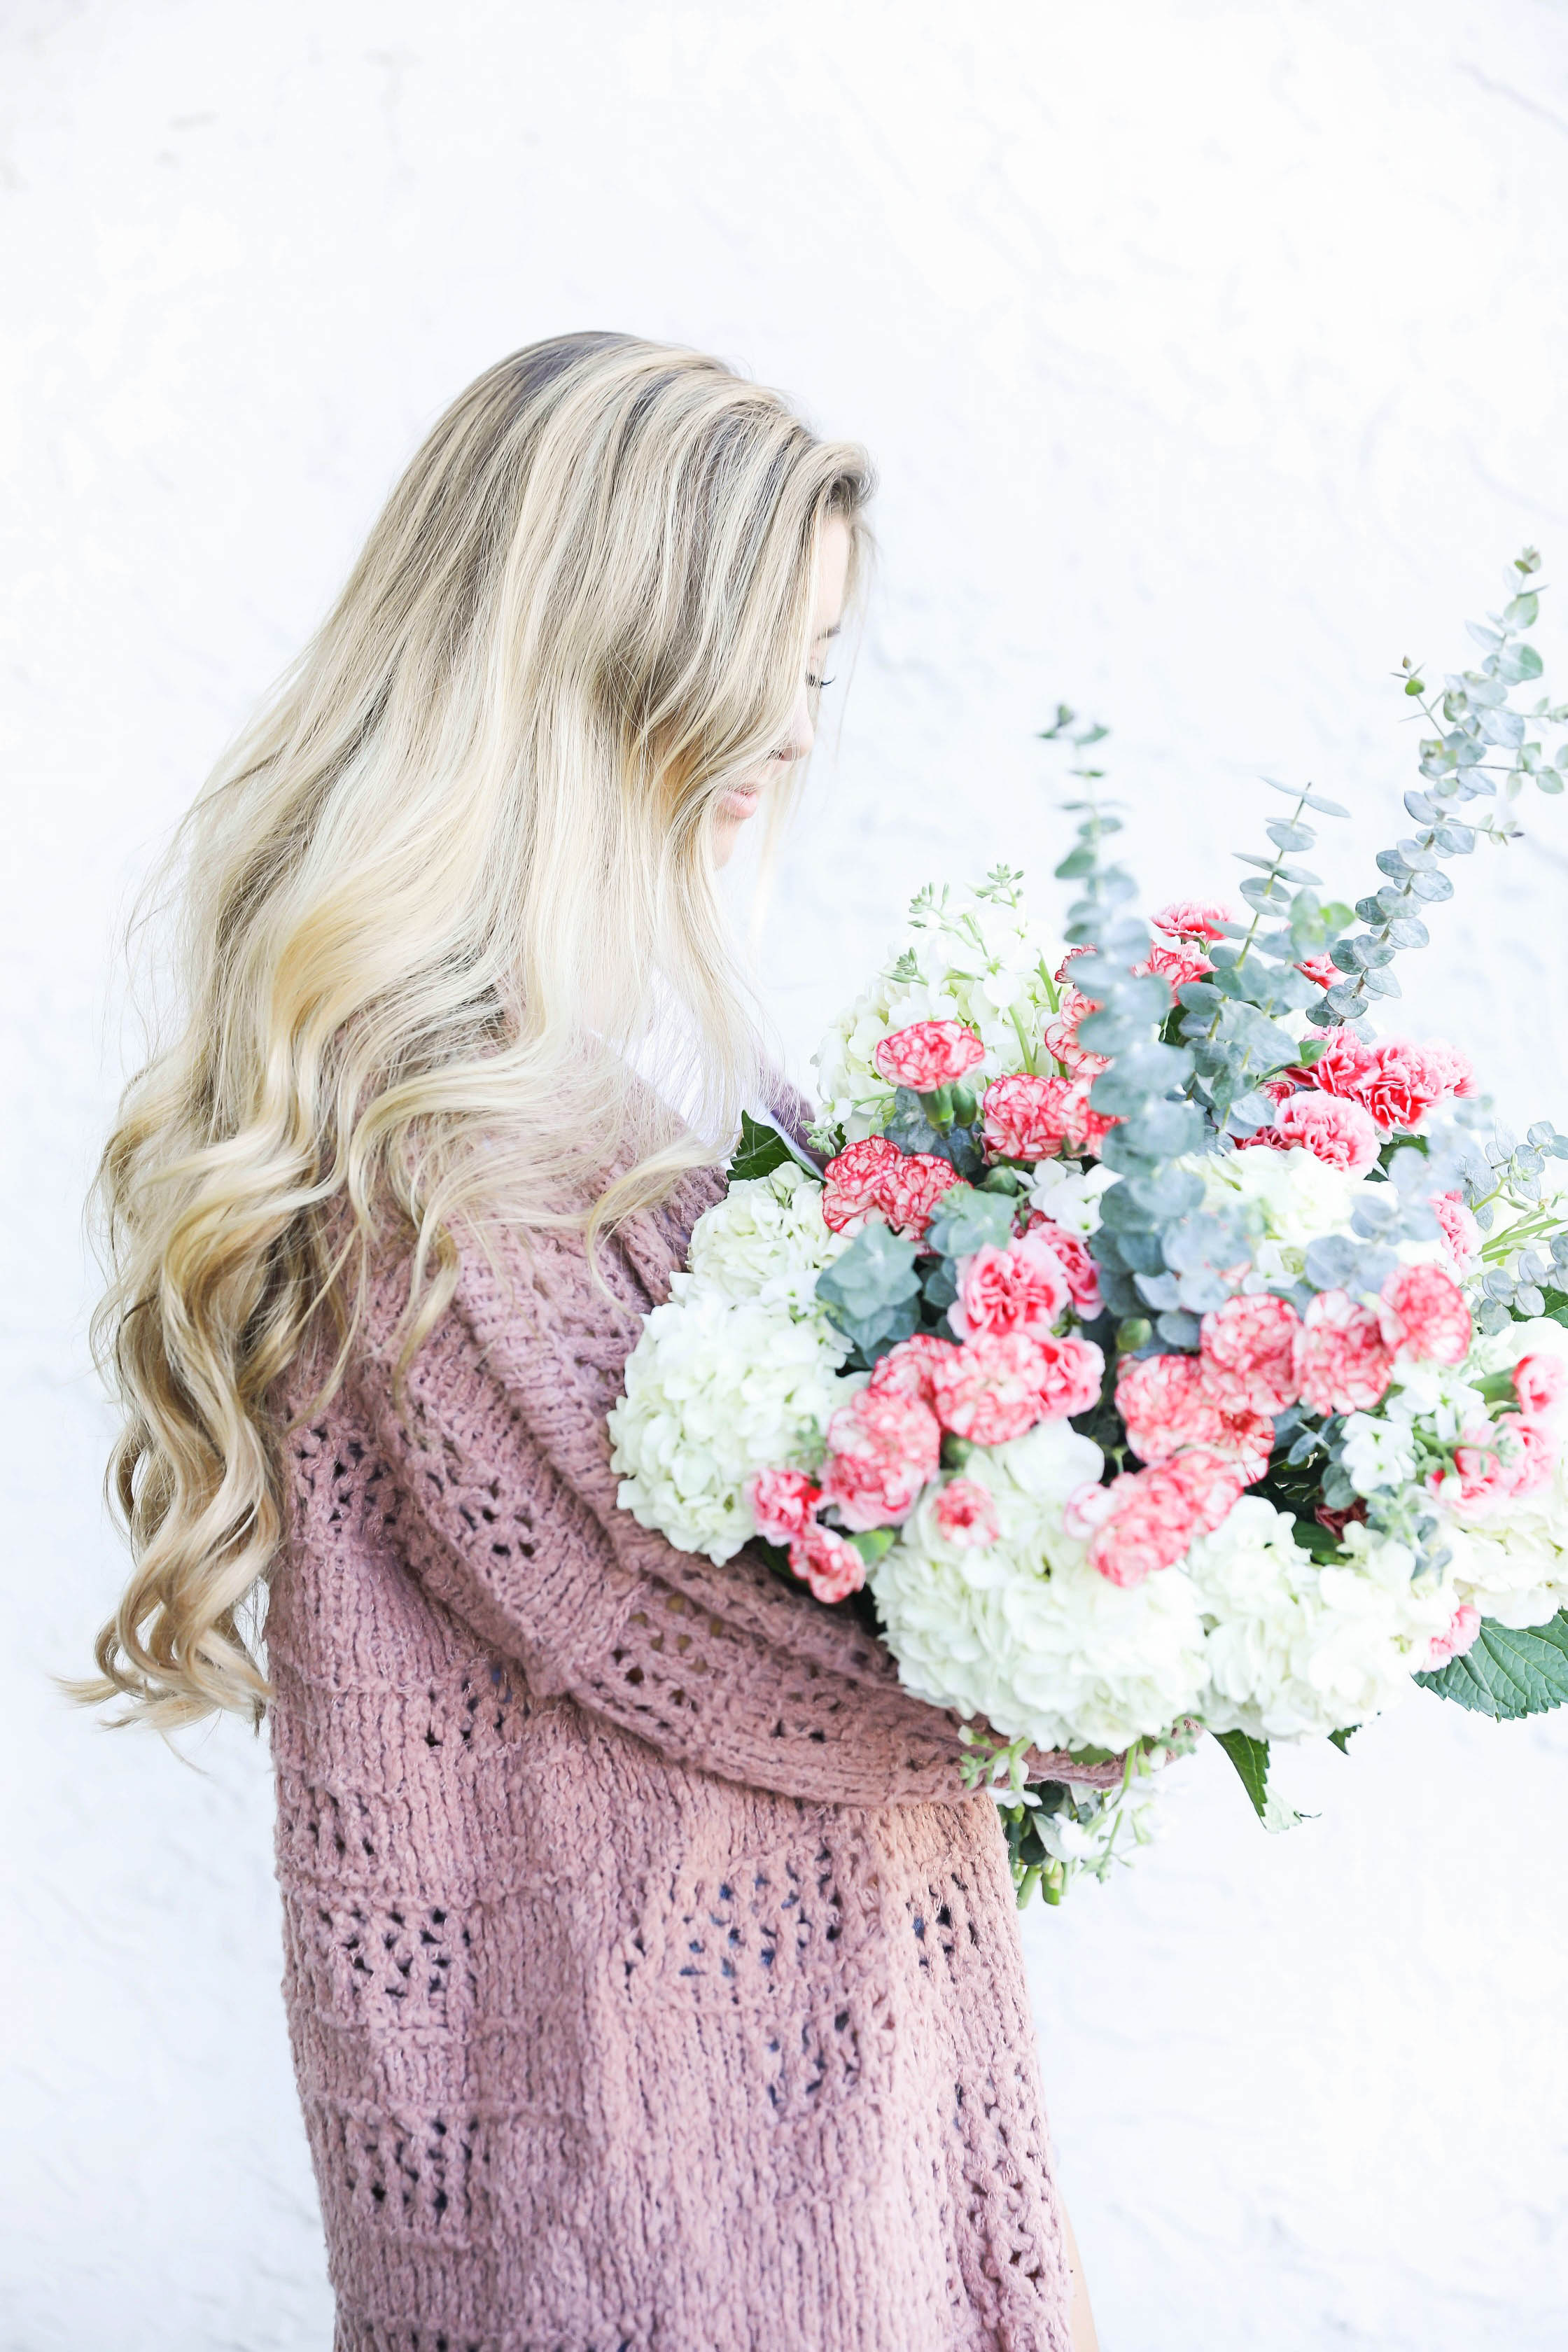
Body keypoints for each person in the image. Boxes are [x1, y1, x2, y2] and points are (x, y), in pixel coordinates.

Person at [81, 333, 1101, 2352]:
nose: (800, 735)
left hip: (768, 2162)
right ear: (605, 655)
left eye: (821, 673)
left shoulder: (587, 1097)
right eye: (768, 668)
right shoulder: (444, 1163)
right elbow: (731, 1639)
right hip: (660, 2222)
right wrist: (1172, 1589)